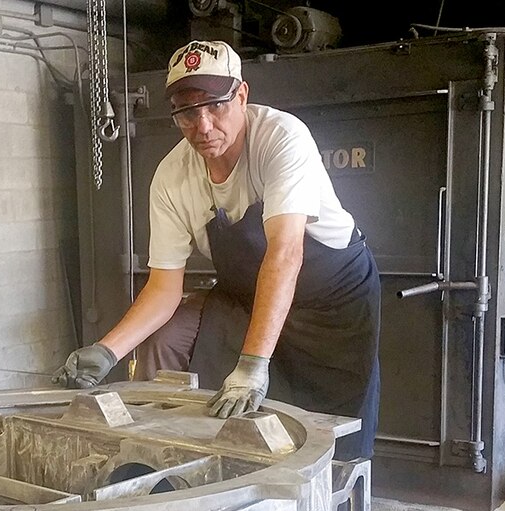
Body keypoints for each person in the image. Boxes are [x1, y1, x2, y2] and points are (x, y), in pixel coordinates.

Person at [52, 40, 381, 459]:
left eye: (216, 106)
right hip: (247, 299)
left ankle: (326, 505)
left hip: (332, 306)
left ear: (241, 95)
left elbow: (285, 254)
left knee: (331, 441)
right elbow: (163, 287)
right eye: (188, 112)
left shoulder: (281, 139)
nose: (203, 126)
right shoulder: (173, 177)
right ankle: (164, 459)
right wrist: (107, 350)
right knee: (168, 340)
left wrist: (252, 363)